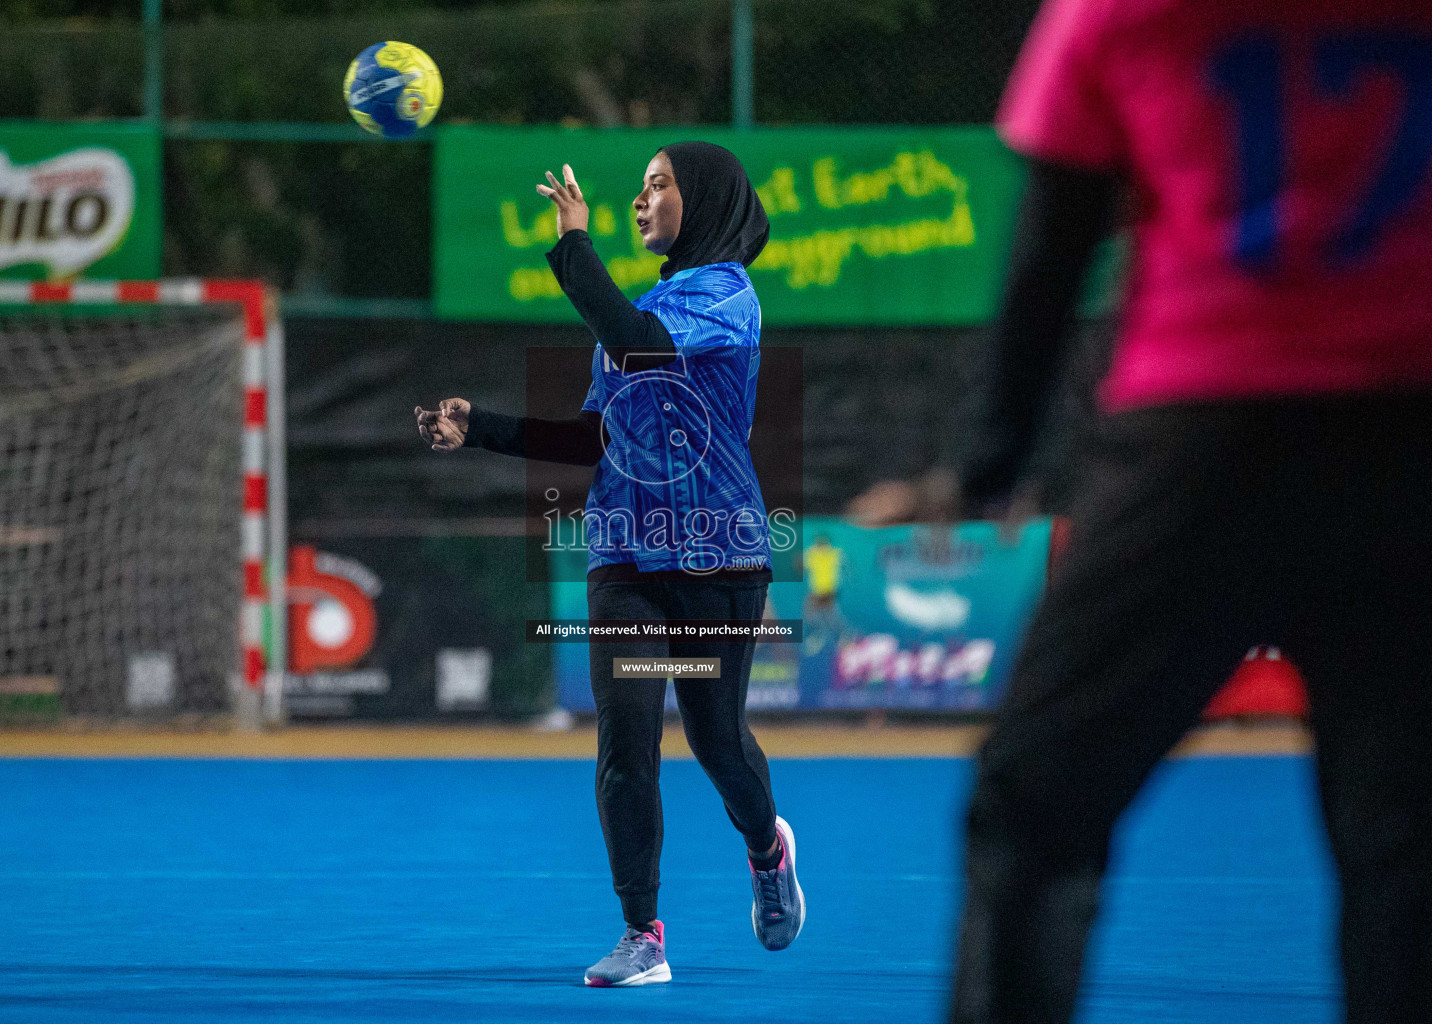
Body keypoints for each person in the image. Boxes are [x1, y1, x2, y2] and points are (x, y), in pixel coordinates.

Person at [895, 1, 1432, 1022]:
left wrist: (990, 464)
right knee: (1404, 839)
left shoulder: (1117, 9)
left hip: (1207, 444)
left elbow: (1052, 247)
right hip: (1410, 443)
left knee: (1036, 803)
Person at [417, 143, 805, 987]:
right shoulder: (644, 315)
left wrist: (573, 242)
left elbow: (634, 343)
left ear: (701, 202)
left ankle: (766, 848)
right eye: (638, 188)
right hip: (624, 556)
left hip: (717, 560)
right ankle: (642, 935)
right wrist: (477, 424)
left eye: (658, 186)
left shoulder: (725, 297)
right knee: (625, 739)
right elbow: (592, 437)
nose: (641, 200)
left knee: (716, 740)